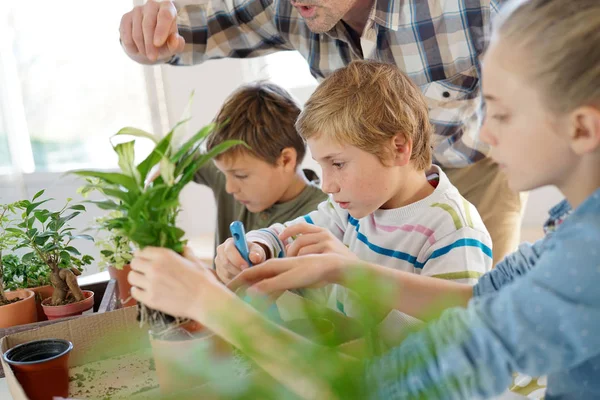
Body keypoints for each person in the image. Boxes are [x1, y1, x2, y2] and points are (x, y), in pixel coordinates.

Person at [128, 0, 600, 398]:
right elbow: (482, 302)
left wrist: (211, 304)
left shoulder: (584, 260)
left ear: (582, 127)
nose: (483, 132)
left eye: (498, 111)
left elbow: (395, 385)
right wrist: (345, 270)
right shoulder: (574, 226)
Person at [119, 0, 522, 266]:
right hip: (367, 182)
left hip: (477, 166)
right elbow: (190, 28)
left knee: (482, 318)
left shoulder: (472, 8)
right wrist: (149, 28)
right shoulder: (342, 201)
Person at [215, 61, 492, 323]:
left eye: (337, 164)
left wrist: (354, 275)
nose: (326, 185)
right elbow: (285, 235)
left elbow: (441, 348)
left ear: (398, 148)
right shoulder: (349, 209)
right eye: (322, 165)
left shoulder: (454, 230)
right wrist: (257, 247)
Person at [191, 82, 326, 266]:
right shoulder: (232, 170)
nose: (229, 187)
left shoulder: (324, 217)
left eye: (241, 176)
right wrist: (165, 163)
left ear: (285, 160)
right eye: (223, 173)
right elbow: (181, 156)